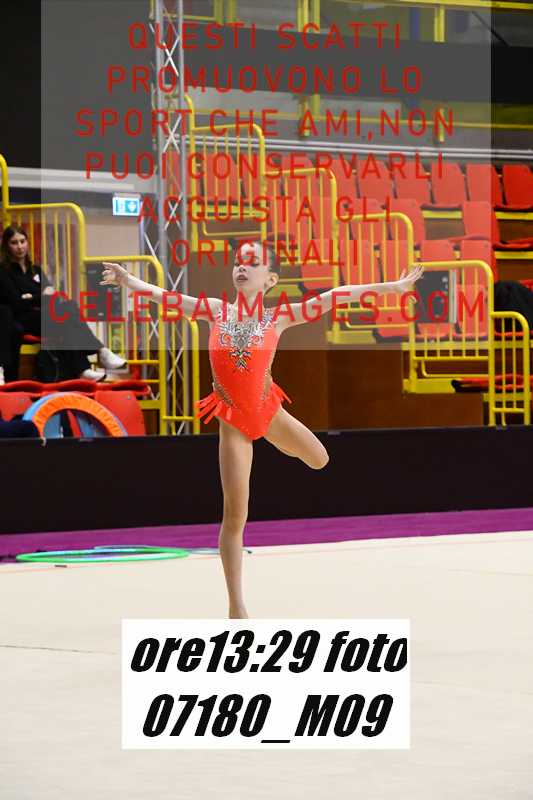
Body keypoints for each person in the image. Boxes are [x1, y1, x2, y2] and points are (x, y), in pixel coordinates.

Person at [101, 242, 424, 618]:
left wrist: (392, 287)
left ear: (270, 280)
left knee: (319, 459)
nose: (242, 267)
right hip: (233, 422)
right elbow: (166, 297)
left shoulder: (279, 317)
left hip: (268, 411)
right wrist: (129, 281)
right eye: (239, 262)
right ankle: (236, 605)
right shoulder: (215, 311)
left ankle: (273, 439)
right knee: (235, 515)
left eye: (252, 263)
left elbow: (335, 296)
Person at [0, 225, 127, 381]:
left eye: (22, 241)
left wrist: (31, 297)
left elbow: (52, 296)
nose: (20, 247)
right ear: (7, 246)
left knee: (67, 309)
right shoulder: (4, 271)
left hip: (44, 316)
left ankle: (88, 367)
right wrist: (40, 296)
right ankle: (97, 356)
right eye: (14, 243)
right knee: (67, 311)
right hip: (23, 320)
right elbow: (17, 304)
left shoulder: (36, 270)